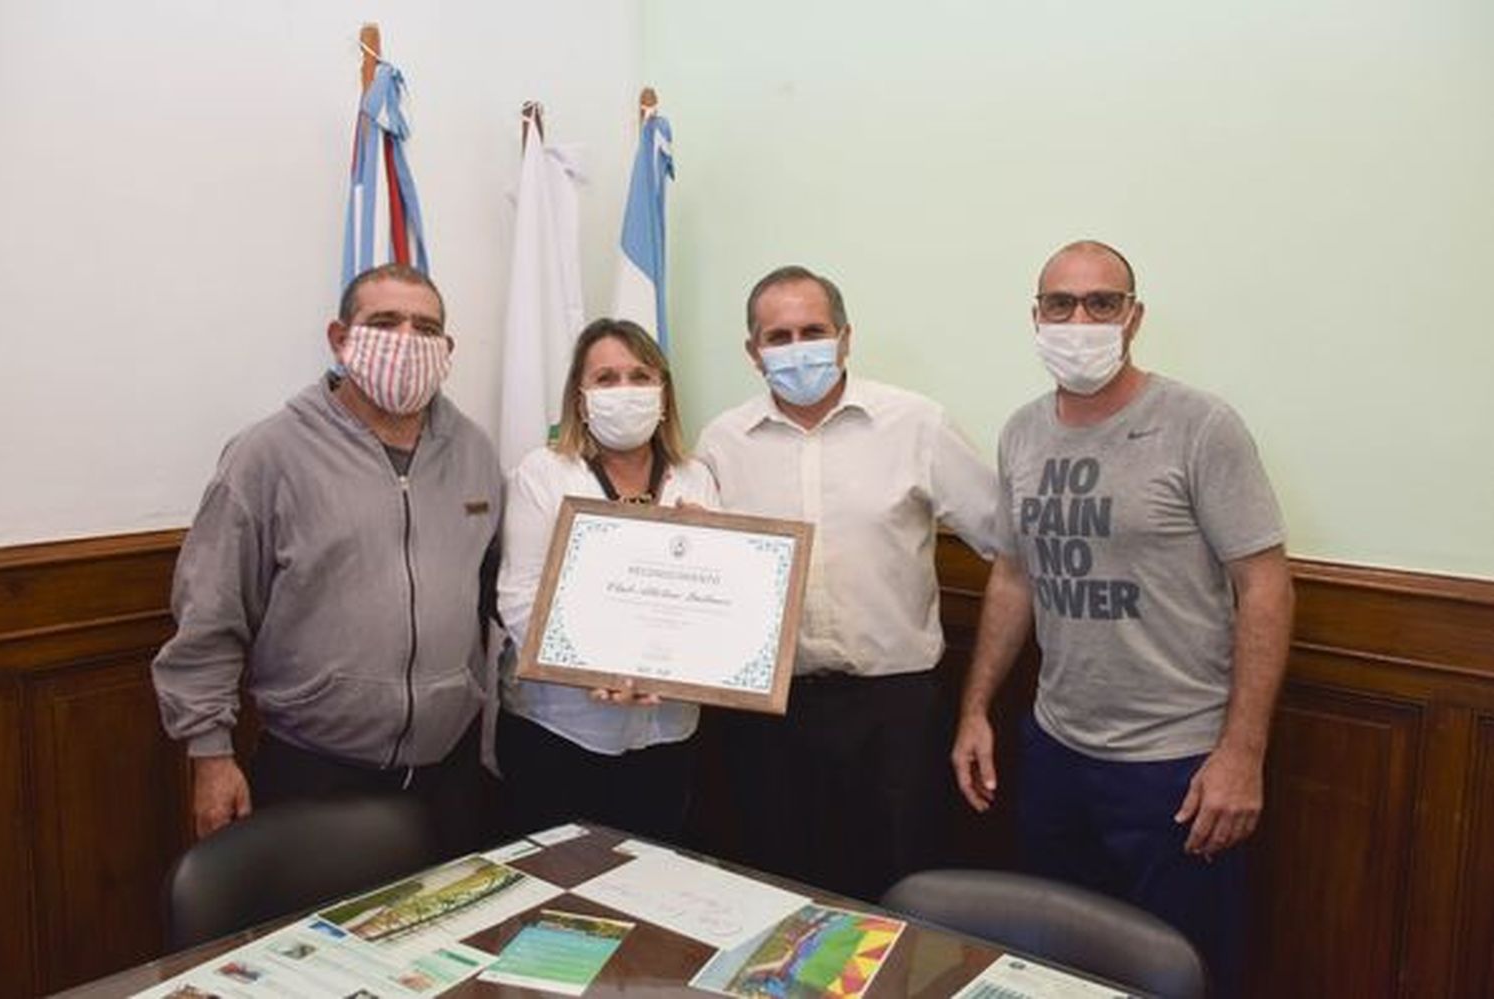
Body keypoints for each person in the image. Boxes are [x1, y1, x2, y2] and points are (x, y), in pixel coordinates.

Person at [951, 240, 1294, 991]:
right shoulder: (1022, 433)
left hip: (1175, 768)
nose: (1080, 319)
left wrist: (1242, 753)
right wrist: (975, 707)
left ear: (1134, 316)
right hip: (1057, 753)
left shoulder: (1200, 424)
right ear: (1034, 317)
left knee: (1182, 970)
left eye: (1102, 302)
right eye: (1060, 303)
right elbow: (1013, 576)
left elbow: (1264, 586)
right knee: (1059, 974)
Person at [151, 263, 500, 856]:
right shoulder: (268, 455)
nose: (406, 341)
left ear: (447, 349)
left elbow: (494, 589)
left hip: (449, 771)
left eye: (426, 327)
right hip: (315, 772)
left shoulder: (473, 451)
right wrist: (210, 755)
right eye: (385, 322)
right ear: (341, 338)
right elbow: (209, 616)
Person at [695, 265, 999, 902]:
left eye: (814, 330)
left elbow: (1006, 545)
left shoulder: (917, 424)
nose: (797, 347)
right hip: (768, 718)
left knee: (897, 892)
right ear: (753, 353)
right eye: (778, 337)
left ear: (846, 338)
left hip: (894, 712)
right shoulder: (722, 443)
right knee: (775, 891)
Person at [495, 318, 719, 841]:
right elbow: (520, 597)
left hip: (668, 733)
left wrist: (705, 548)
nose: (626, 390)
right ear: (581, 396)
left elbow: (715, 601)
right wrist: (592, 668)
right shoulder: (544, 473)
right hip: (560, 732)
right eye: (607, 378)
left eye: (640, 376)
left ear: (663, 393)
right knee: (556, 895)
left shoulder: (695, 478)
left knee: (648, 886)